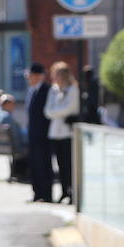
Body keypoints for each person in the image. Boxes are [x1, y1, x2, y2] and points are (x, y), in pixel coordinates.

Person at [44, 61, 79, 204]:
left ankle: (72, 191)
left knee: (69, 163)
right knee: (59, 164)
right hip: (55, 132)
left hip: (67, 132)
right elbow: (47, 110)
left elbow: (70, 108)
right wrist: (56, 113)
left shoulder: (72, 89)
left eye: (57, 75)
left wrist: (55, 112)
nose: (55, 78)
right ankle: (64, 190)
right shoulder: (53, 90)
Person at [26, 62, 53, 202]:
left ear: (37, 76)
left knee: (44, 165)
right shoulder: (31, 90)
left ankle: (47, 194)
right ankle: (37, 193)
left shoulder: (47, 90)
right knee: (34, 165)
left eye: (29, 75)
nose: (28, 77)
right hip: (32, 134)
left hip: (43, 135)